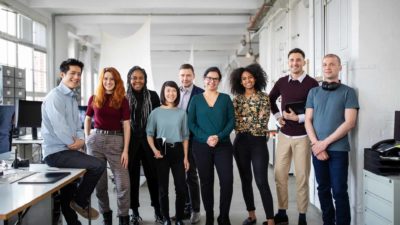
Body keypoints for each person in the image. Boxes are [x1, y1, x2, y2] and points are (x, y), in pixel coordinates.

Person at [41, 58, 106, 225]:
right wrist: (76, 144)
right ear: (62, 74)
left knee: (67, 193)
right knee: (98, 165)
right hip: (57, 153)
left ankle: (73, 218)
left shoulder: (72, 97)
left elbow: (78, 126)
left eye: (79, 74)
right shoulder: (55, 97)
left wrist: (82, 140)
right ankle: (80, 202)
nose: (76, 77)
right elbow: (60, 129)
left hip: (69, 150)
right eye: (72, 73)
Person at [305, 54, 359, 225]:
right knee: (322, 189)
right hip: (317, 149)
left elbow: (350, 122)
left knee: (339, 191)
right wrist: (316, 144)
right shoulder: (313, 92)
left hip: (338, 150)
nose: (327, 67)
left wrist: (324, 144)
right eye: (325, 64)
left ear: (339, 67)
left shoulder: (348, 92)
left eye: (332, 64)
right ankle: (328, 222)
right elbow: (308, 120)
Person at [269, 48, 318, 225]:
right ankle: (282, 212)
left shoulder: (312, 83)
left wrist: (299, 118)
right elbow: (270, 99)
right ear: (288, 63)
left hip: (304, 136)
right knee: (280, 175)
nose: (295, 63)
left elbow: (316, 109)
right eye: (291, 60)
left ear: (304, 62)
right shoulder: (282, 82)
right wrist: (277, 118)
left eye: (298, 60)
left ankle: (302, 215)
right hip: (284, 135)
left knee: (302, 177)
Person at [187, 67, 235, 225]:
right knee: (206, 182)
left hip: (223, 146)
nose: (211, 81)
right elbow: (191, 123)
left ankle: (224, 216)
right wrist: (205, 138)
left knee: (227, 180)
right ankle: (209, 215)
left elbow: (231, 122)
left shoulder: (225, 99)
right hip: (201, 146)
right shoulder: (196, 100)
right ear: (203, 79)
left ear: (219, 81)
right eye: (209, 78)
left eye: (215, 79)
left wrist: (218, 136)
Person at [229, 64, 275, 225]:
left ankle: (270, 219)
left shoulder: (264, 97)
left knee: (261, 180)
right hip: (240, 142)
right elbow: (235, 123)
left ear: (256, 78)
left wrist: (245, 120)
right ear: (239, 82)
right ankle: (252, 215)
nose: (247, 81)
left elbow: (262, 122)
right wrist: (251, 119)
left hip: (258, 142)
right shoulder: (237, 100)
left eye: (250, 77)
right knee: (245, 180)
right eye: (244, 79)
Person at [84, 67, 131, 225]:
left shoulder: (122, 100)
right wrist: (87, 137)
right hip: (96, 141)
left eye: (112, 79)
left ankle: (123, 218)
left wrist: (125, 150)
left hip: (116, 141)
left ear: (116, 81)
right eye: (105, 78)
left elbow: (126, 125)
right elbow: (87, 118)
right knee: (100, 184)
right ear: (101, 80)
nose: (108, 82)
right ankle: (106, 216)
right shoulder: (94, 98)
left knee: (123, 183)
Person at [146, 81, 190, 225]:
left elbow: (185, 136)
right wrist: (154, 150)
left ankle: (178, 218)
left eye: (174, 91)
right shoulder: (156, 112)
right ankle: (166, 219)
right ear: (163, 93)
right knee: (163, 189)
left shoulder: (182, 113)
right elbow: (149, 134)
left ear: (177, 93)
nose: (171, 94)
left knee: (181, 188)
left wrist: (185, 157)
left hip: (177, 151)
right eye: (168, 91)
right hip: (161, 152)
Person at [126, 66, 163, 224]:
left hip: (150, 143)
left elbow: (158, 121)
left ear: (145, 80)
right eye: (134, 77)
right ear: (129, 79)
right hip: (131, 144)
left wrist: (159, 146)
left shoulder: (153, 96)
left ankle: (158, 211)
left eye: (141, 78)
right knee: (132, 180)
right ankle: (134, 212)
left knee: (154, 178)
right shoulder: (123, 97)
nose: (137, 81)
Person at [176, 63, 203, 224]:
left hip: (193, 141)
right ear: (179, 77)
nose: (185, 78)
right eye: (182, 75)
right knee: (180, 177)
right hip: (176, 141)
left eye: (188, 75)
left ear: (193, 76)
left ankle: (196, 210)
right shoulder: (173, 92)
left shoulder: (200, 93)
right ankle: (185, 209)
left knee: (191, 176)